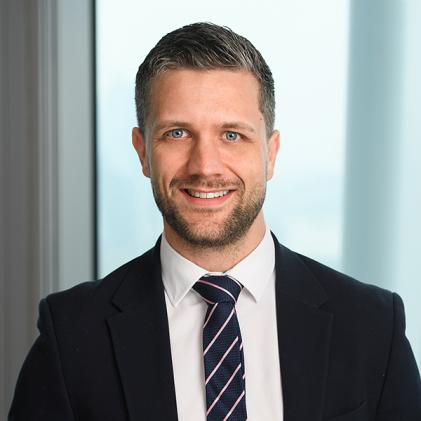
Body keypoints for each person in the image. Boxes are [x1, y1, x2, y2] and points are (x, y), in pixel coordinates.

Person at [9, 22, 421, 421]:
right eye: (177, 134)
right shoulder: (71, 335)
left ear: (270, 152)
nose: (205, 166)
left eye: (231, 135)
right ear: (142, 152)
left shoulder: (373, 327)